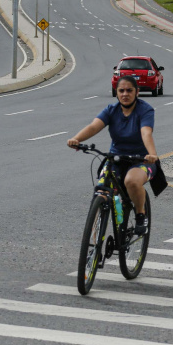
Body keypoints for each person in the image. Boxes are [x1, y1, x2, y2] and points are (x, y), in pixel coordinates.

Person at [67, 76, 159, 235]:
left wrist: (152, 154)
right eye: (121, 90)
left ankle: (140, 215)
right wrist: (76, 139)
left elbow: (146, 133)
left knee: (131, 181)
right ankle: (95, 243)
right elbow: (94, 127)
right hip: (116, 159)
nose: (125, 94)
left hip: (141, 160)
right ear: (116, 93)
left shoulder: (145, 110)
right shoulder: (111, 110)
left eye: (129, 90)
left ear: (137, 92)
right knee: (101, 191)